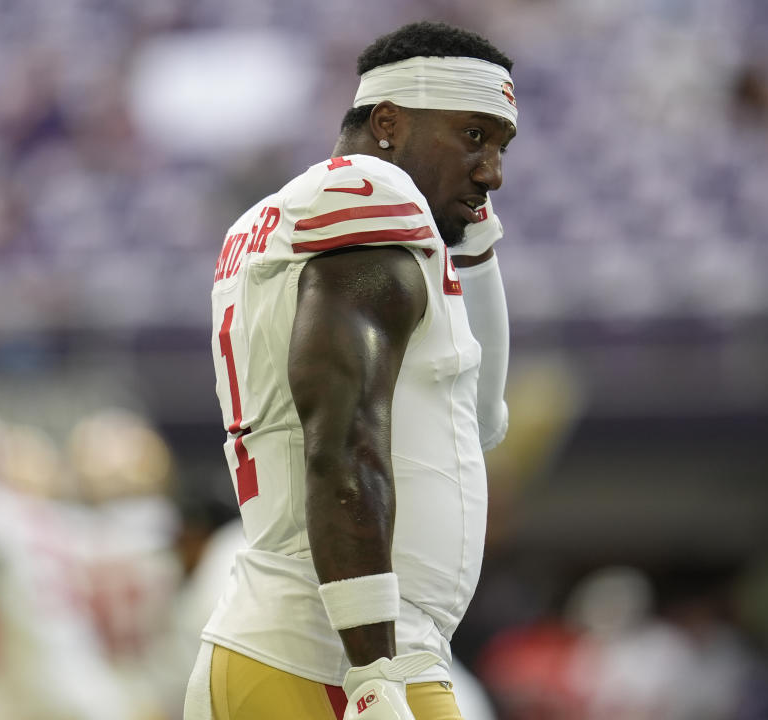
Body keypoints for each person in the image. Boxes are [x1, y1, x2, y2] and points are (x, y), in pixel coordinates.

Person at [184, 20, 516, 720]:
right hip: (329, 655)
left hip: (340, 645)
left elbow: (482, 418)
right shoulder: (370, 197)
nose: (493, 171)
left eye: (503, 145)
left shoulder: (309, 220)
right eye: (475, 136)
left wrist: (477, 245)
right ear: (388, 123)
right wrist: (371, 673)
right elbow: (339, 443)